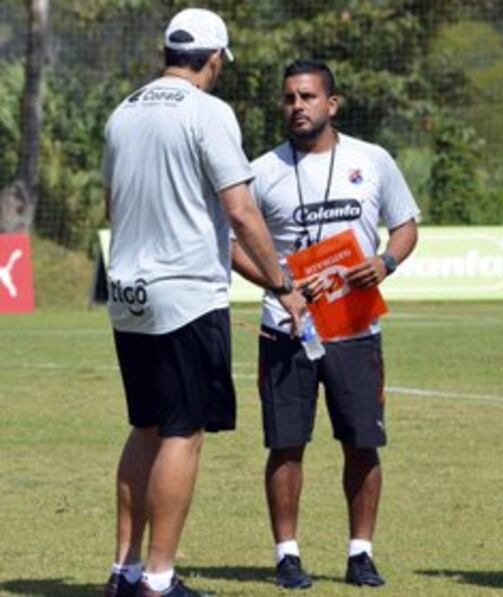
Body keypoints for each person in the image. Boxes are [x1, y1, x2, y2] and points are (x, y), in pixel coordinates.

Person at [101, 9, 304, 597]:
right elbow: (240, 211)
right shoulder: (209, 113)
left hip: (128, 293)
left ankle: (126, 569)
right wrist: (283, 283)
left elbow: (112, 208)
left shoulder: (123, 111)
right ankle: (159, 580)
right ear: (214, 59)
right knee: (182, 433)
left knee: (145, 426)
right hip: (186, 295)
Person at [232, 59, 419, 590]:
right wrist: (279, 286)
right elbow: (230, 243)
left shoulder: (372, 159)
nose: (298, 107)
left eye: (308, 97)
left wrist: (385, 263)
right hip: (285, 328)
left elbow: (405, 226)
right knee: (286, 443)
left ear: (331, 104)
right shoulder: (262, 170)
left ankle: (361, 553)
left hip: (355, 327)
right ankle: (287, 555)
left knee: (362, 442)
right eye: (289, 98)